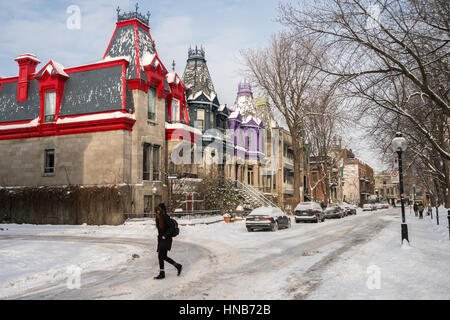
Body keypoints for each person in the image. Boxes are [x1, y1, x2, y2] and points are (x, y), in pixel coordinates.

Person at [154, 203, 182, 280]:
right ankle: (177, 266)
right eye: (157, 209)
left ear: (162, 210)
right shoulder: (159, 218)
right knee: (163, 256)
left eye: (159, 210)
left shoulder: (166, 217)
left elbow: (172, 228)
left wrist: (165, 235)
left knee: (161, 256)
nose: (157, 211)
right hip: (161, 240)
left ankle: (162, 273)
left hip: (166, 239)